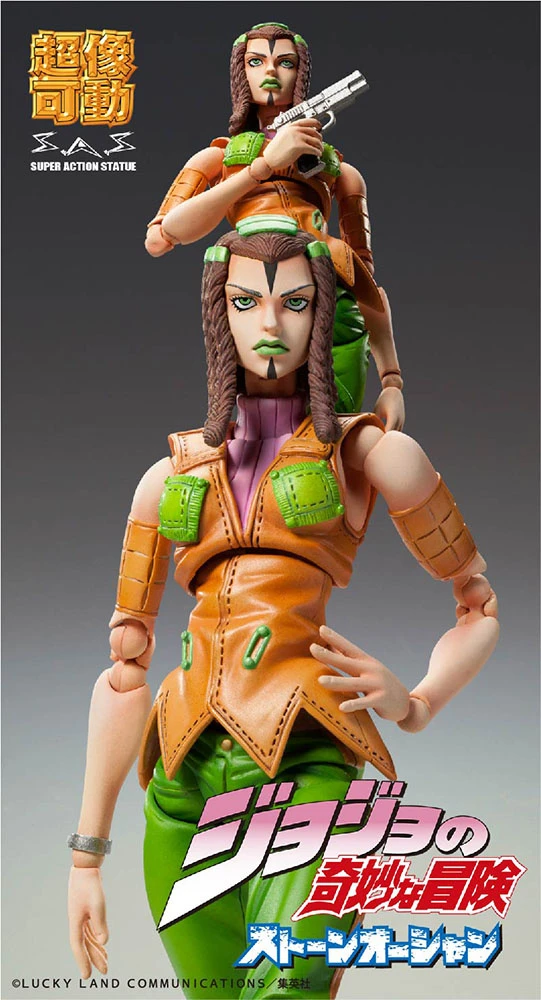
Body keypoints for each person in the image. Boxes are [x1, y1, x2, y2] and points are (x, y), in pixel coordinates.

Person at [68, 216, 498, 1000]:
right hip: (181, 782)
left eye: (295, 302)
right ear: (219, 313)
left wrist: (417, 702)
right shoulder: (169, 477)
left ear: (322, 311)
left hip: (304, 765)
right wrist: (85, 856)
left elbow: (477, 605)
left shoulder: (367, 455)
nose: (269, 322)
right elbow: (126, 668)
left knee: (289, 987)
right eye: (245, 301)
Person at [145, 21, 405, 430]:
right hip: (251, 276)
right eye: (256, 61)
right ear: (240, 73)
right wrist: (262, 166)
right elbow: (161, 237)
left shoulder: (340, 172)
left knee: (337, 418)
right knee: (258, 411)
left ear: (300, 74)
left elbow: (365, 284)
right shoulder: (220, 157)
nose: (270, 71)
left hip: (323, 273)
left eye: (286, 62)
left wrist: (391, 379)